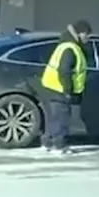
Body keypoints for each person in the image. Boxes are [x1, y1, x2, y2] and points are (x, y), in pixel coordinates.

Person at [39, 20, 91, 154]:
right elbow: (65, 70)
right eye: (87, 34)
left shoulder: (66, 45)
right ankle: (59, 145)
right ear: (80, 33)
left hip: (52, 87)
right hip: (59, 89)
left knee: (54, 117)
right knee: (61, 118)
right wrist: (68, 90)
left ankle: (48, 143)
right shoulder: (70, 48)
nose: (88, 37)